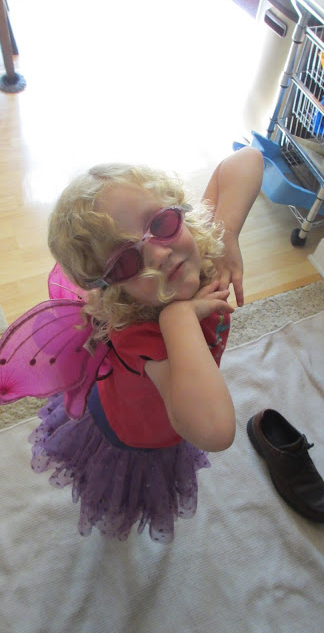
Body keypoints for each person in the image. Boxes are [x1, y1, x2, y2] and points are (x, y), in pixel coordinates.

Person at [26, 148, 264, 543]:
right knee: (122, 494)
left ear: (177, 209)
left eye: (161, 222)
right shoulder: (141, 335)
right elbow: (215, 430)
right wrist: (178, 319)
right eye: (125, 261)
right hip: (135, 431)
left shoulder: (195, 250)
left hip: (168, 398)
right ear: (111, 285)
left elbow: (247, 160)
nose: (159, 252)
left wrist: (229, 233)